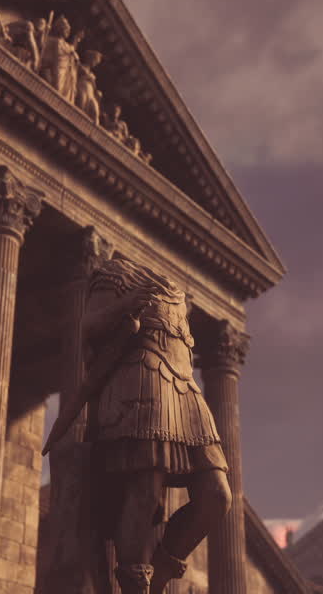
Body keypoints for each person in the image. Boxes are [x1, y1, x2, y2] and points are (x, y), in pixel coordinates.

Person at [47, 255, 231, 594]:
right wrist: (127, 305)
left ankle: (160, 575)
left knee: (217, 496)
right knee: (144, 492)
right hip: (142, 382)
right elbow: (88, 327)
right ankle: (135, 585)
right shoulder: (118, 273)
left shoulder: (176, 290)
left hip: (185, 390)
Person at [75, 50, 104, 123]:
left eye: (96, 62)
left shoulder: (92, 74)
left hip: (90, 93)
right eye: (95, 60)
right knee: (81, 107)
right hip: (81, 87)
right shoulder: (81, 67)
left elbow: (94, 87)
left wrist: (97, 93)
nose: (95, 63)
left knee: (95, 110)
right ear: (90, 58)